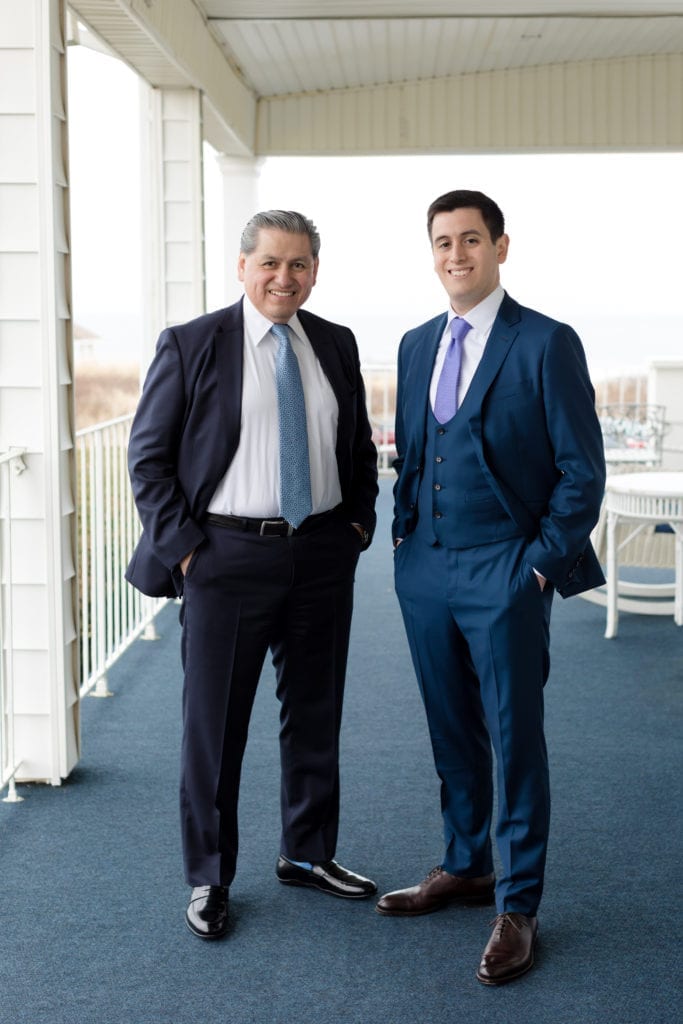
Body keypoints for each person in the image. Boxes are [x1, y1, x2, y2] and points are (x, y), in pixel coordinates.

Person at [126, 210, 379, 940]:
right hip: (226, 561)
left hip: (322, 554)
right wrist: (187, 552)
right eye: (270, 262)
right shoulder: (193, 344)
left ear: (314, 272)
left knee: (314, 712)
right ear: (242, 266)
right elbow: (148, 458)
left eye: (299, 264)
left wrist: (356, 523)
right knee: (215, 727)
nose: (284, 278)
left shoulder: (333, 342)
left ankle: (307, 853)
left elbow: (356, 443)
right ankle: (209, 877)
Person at [376, 190, 606, 984]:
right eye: (441, 242)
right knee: (451, 729)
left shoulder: (544, 342)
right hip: (427, 568)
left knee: (514, 736)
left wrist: (537, 564)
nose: (454, 255)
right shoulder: (412, 345)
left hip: (506, 567)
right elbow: (411, 453)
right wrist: (405, 543)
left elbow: (581, 473)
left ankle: (517, 903)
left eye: (470, 240)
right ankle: (465, 863)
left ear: (500, 247)